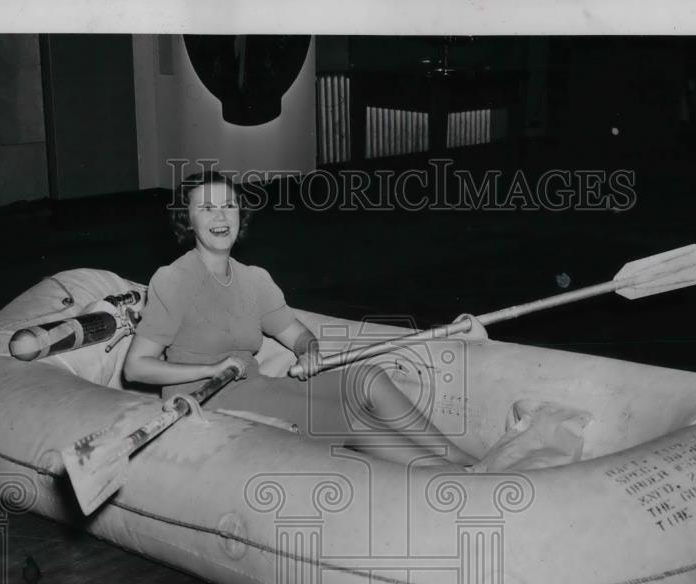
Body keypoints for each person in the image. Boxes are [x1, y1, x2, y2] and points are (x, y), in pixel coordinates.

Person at [123, 170, 482, 467]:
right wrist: (208, 370)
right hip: (206, 401)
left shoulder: (253, 279)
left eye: (229, 206)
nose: (221, 217)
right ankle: (454, 474)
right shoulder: (173, 279)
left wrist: (308, 351)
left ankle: (466, 460)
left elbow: (297, 334)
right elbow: (137, 368)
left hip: (255, 388)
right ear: (188, 220)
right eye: (207, 208)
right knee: (355, 422)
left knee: (367, 376)